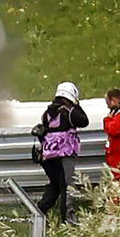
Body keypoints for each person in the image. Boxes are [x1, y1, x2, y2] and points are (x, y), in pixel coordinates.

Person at [36, 82, 88, 225]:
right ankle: (68, 220)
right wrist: (77, 105)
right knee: (67, 187)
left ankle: (38, 212)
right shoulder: (70, 112)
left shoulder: (47, 114)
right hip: (64, 156)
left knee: (55, 185)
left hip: (48, 156)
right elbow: (84, 121)